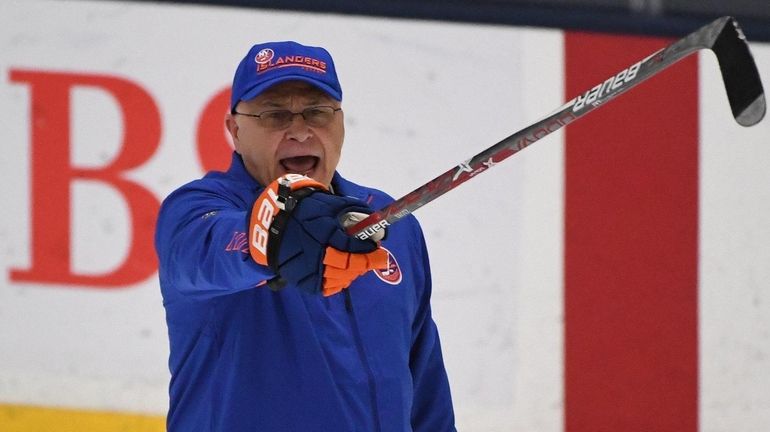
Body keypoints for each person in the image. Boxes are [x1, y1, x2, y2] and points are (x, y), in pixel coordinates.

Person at [155, 41, 456, 432]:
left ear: (341, 122)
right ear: (235, 129)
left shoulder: (388, 222)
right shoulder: (193, 211)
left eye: (317, 112)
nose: (299, 131)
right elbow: (210, 251)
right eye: (274, 114)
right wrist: (275, 235)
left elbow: (424, 378)